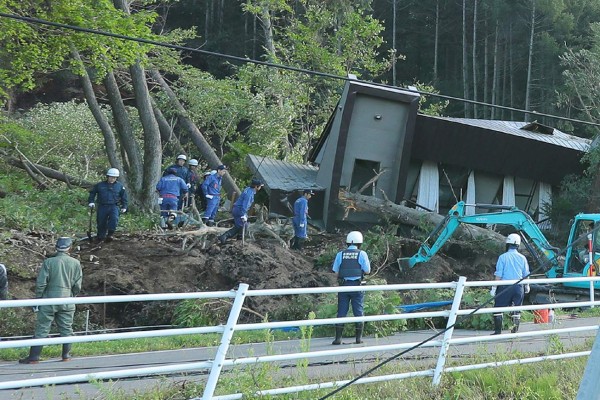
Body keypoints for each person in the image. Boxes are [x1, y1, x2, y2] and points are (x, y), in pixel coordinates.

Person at [19, 237, 82, 364]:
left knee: (42, 328)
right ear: (70, 248)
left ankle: (34, 357)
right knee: (66, 328)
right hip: (67, 299)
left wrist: (39, 299)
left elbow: (41, 284)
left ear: (56, 247)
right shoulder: (75, 263)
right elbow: (77, 285)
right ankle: (66, 355)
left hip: (49, 300)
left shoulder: (49, 262)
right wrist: (71, 295)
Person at [331, 231, 371, 345]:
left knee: (341, 312)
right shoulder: (362, 254)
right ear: (360, 243)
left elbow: (336, 271)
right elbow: (367, 271)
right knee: (358, 311)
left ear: (347, 242)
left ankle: (338, 338)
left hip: (344, 286)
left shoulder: (340, 254)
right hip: (357, 286)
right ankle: (358, 339)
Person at [490, 233, 530, 335]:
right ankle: (514, 332)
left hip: (504, 286)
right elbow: (526, 274)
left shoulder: (503, 257)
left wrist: (494, 288)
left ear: (507, 244)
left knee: (499, 309)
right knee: (516, 309)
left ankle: (498, 332)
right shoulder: (522, 258)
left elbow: (498, 274)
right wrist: (527, 285)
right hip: (518, 287)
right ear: (518, 245)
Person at [218, 178, 264, 244]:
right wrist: (243, 215)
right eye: (260, 186)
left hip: (238, 209)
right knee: (242, 225)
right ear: (256, 186)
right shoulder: (249, 194)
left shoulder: (248, 189)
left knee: (242, 225)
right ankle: (225, 236)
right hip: (239, 210)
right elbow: (245, 205)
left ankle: (238, 239)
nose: (260, 188)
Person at [88, 168, 128, 242]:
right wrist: (91, 201)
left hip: (114, 206)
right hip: (102, 206)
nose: (113, 179)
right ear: (108, 176)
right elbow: (92, 193)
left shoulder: (119, 186)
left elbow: (124, 197)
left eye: (115, 178)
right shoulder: (100, 185)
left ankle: (110, 235)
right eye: (111, 177)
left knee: (114, 219)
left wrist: (124, 206)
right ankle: (100, 236)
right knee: (101, 221)